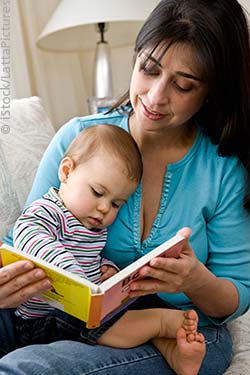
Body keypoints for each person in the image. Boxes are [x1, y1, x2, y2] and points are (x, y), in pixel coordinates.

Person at [0, 0, 250, 374]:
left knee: (30, 367)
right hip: (64, 315)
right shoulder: (80, 137)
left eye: (182, 85)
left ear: (211, 91)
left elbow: (236, 295)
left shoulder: (222, 170)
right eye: (148, 69)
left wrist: (195, 280)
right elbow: (28, 239)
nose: (155, 96)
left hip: (186, 329)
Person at [10, 124, 206, 375]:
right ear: (67, 171)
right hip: (43, 320)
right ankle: (159, 324)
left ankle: (172, 351)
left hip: (88, 305)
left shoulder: (90, 226)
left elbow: (92, 260)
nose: (104, 208)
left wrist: (108, 272)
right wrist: (73, 274)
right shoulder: (47, 212)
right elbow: (31, 237)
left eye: (116, 203)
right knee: (95, 321)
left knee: (138, 298)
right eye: (98, 192)